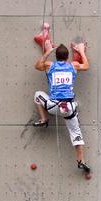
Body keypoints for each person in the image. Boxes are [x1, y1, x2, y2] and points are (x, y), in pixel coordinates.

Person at [34, 42, 91, 174]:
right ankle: (81, 161)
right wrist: (81, 51)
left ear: (56, 56)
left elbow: (37, 66)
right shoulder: (73, 65)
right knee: (76, 133)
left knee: (37, 95)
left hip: (53, 105)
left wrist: (47, 51)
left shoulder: (50, 65)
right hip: (68, 108)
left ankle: (44, 119)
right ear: (67, 57)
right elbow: (86, 66)